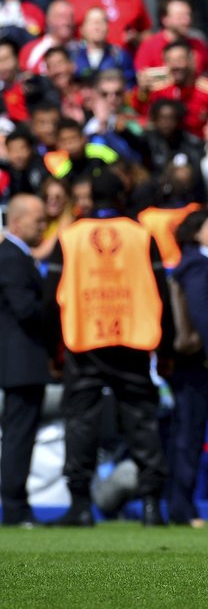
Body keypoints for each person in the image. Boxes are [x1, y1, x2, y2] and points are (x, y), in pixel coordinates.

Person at [49, 171, 173, 527]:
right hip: (132, 341)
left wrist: (51, 349)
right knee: (141, 423)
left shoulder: (70, 236)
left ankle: (81, 505)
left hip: (83, 341)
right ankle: (151, 506)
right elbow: (161, 292)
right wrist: (166, 350)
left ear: (88, 198)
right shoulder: (141, 235)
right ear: (122, 196)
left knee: (81, 424)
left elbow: (49, 297)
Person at [168, 210, 208, 526]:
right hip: (195, 361)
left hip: (192, 361)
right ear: (196, 233)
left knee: (189, 431)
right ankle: (182, 507)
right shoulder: (198, 265)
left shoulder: (198, 263)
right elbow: (202, 312)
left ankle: (182, 504)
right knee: (189, 433)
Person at [0, 194, 50, 526]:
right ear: (17, 222)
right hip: (20, 362)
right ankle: (16, 509)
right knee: (19, 438)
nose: (44, 226)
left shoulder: (17, 256)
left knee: (20, 437)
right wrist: (56, 308)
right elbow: (25, 309)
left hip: (23, 361)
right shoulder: (11, 258)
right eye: (38, 221)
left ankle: (19, 506)